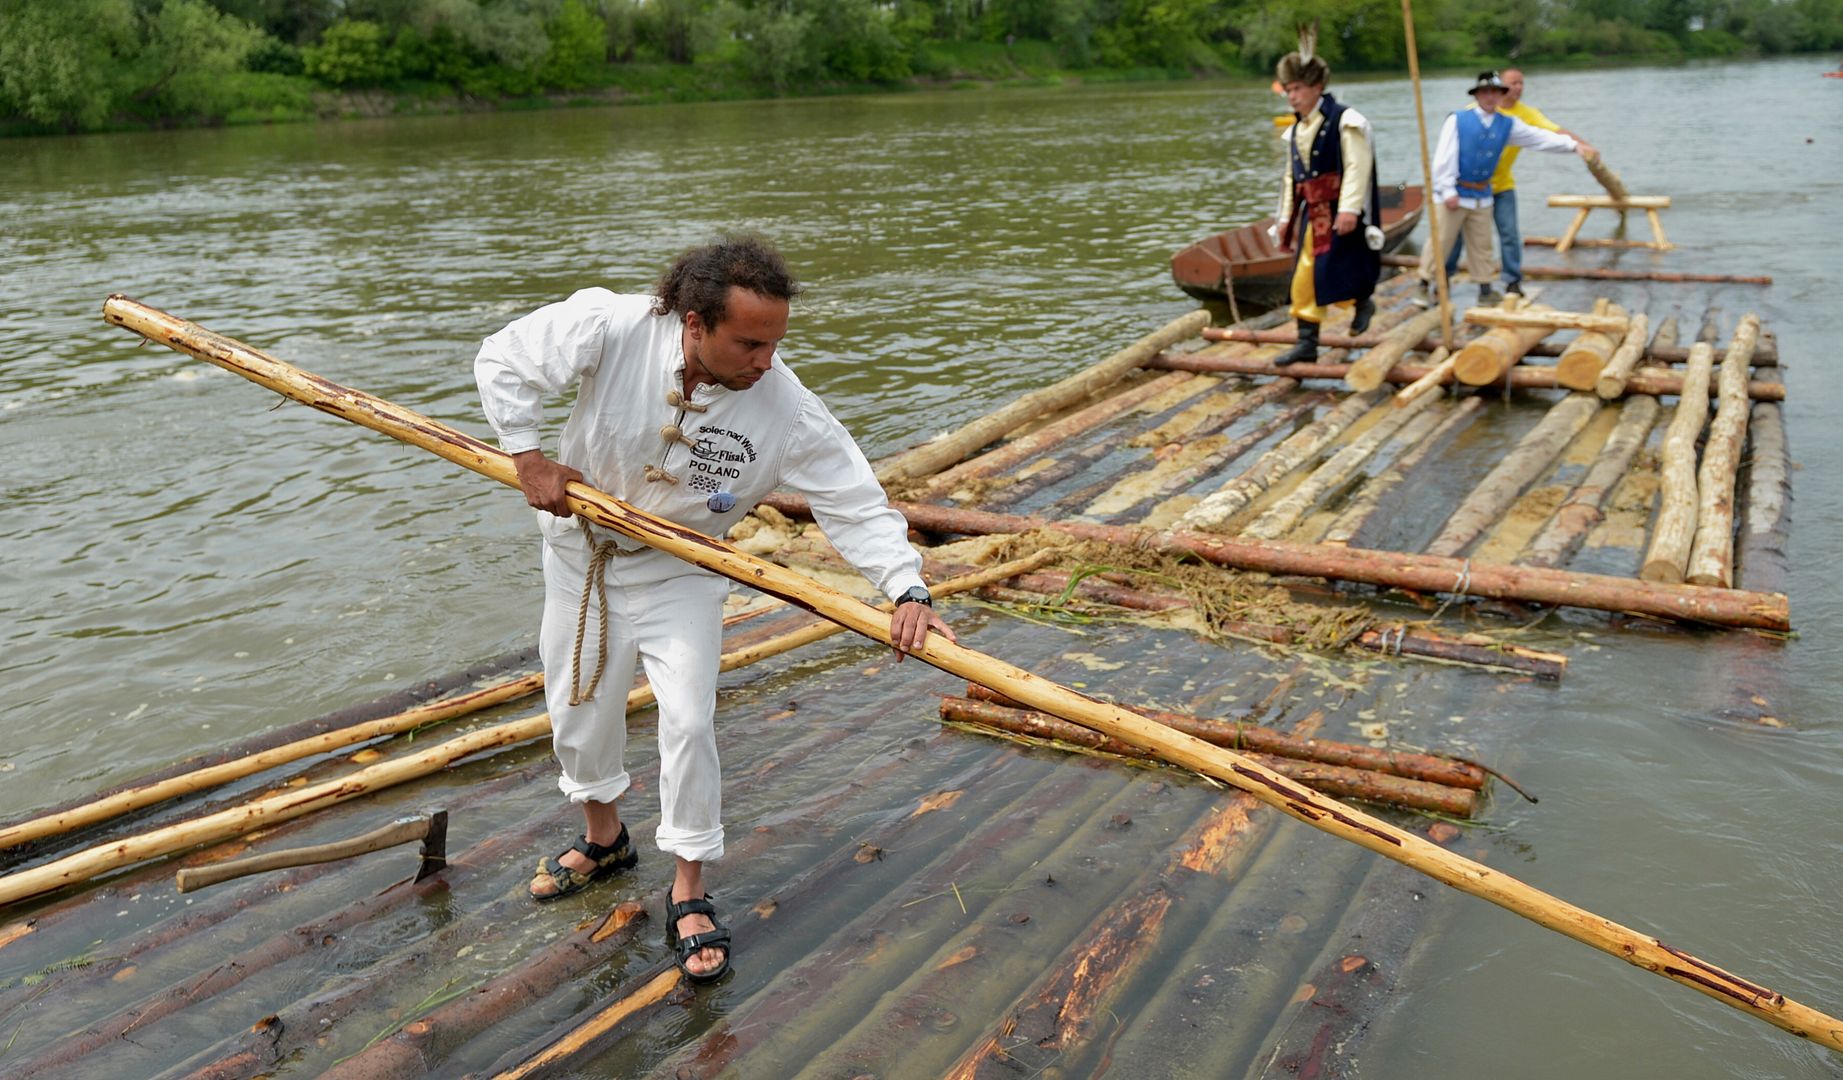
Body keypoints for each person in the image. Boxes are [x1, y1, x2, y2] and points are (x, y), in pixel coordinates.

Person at [475, 237, 955, 983]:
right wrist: (527, 455)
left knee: (688, 720)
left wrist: (906, 587)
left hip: (683, 571)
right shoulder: (612, 326)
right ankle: (605, 839)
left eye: (775, 343)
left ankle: (689, 888)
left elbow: (852, 499)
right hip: (580, 557)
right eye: (750, 343)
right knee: (578, 706)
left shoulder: (786, 406)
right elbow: (504, 359)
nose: (766, 360)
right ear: (693, 323)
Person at [1414, 71, 1595, 307]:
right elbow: (1444, 156)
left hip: (1483, 194)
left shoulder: (1507, 124)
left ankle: (1485, 289)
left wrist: (1574, 146)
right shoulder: (1459, 120)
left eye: (1494, 93)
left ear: (1500, 96)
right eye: (1485, 93)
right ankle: (1424, 283)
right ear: (1477, 95)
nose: (1490, 97)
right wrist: (1447, 189)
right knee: (1443, 241)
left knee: (1482, 245)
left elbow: (1538, 138)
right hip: (1457, 192)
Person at [1268, 32, 1382, 366]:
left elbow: (1356, 166)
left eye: (1297, 89)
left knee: (1341, 267)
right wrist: (1285, 217)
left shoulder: (1346, 120)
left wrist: (1349, 209)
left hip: (1339, 209)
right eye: (1288, 90)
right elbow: (1292, 177)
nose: (1291, 96)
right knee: (1305, 276)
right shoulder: (1296, 128)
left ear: (1317, 87)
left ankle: (1362, 301)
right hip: (1311, 212)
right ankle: (1307, 342)